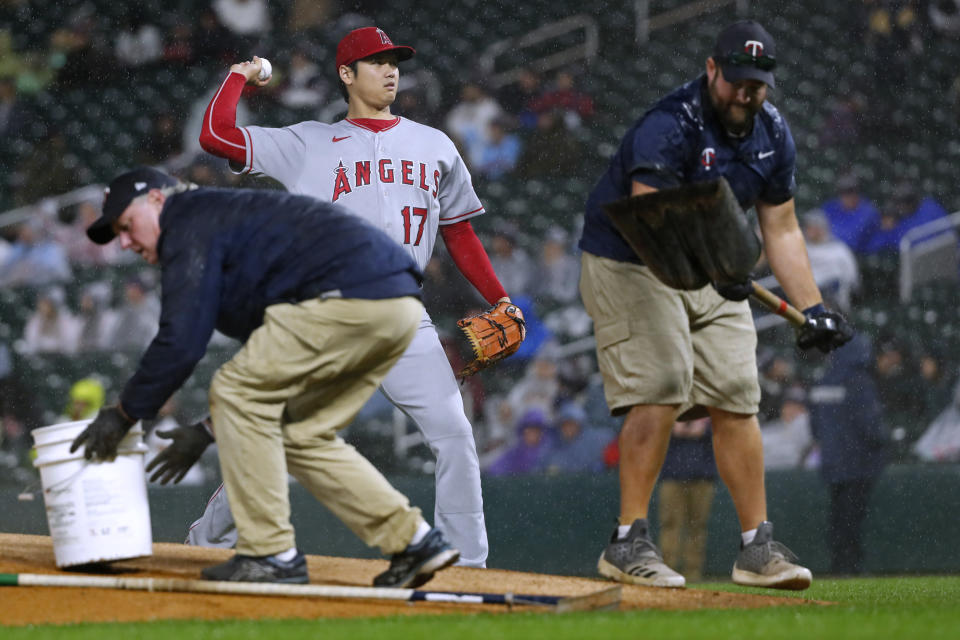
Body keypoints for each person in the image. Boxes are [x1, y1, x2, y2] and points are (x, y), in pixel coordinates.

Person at [192, 26, 522, 567]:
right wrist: (238, 76)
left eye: (394, 61)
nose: (390, 71)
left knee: (455, 434)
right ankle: (206, 540)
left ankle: (467, 564)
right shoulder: (305, 142)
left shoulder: (434, 145)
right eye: (375, 62)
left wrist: (499, 299)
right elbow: (216, 135)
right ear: (347, 75)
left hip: (402, 315)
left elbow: (459, 232)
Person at [69, 167, 459, 586]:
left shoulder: (187, 219)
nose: (124, 242)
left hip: (347, 297)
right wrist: (206, 429)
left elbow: (182, 341)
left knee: (234, 389)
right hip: (393, 309)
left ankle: (270, 552)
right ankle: (414, 541)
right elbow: (272, 359)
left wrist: (125, 414)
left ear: (158, 200)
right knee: (300, 433)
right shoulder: (223, 225)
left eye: (126, 226)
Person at [577, 20, 852, 590]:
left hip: (714, 263)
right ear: (711, 71)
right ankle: (626, 542)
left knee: (736, 393)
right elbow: (651, 219)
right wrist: (714, 269)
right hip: (631, 260)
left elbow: (781, 228)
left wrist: (813, 305)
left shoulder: (773, 133)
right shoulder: (668, 125)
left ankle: (757, 548)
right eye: (735, 82)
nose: (744, 94)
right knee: (663, 383)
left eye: (756, 84)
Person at [808, 334, 888, 575]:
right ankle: (851, 566)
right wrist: (885, 441)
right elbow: (870, 426)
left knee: (838, 516)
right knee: (852, 518)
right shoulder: (859, 381)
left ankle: (838, 564)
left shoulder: (823, 379)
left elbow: (814, 426)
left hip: (832, 462)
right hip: (858, 463)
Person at [656, 418, 717, 583]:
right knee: (670, 524)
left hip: (702, 475)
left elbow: (726, 431)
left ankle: (693, 572)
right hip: (672, 474)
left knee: (697, 525)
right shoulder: (670, 404)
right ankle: (668, 569)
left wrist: (705, 428)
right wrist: (670, 427)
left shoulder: (708, 409)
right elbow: (653, 431)